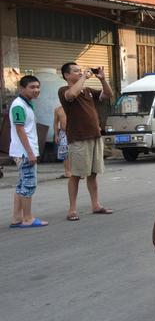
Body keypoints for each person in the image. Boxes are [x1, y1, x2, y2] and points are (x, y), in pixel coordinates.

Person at [58, 63, 114, 221]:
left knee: (93, 173)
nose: (80, 72)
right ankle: (72, 210)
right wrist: (84, 77)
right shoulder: (63, 90)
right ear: (67, 75)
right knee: (76, 174)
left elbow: (107, 95)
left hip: (94, 135)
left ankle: (96, 204)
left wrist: (102, 80)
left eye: (80, 70)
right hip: (78, 137)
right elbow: (72, 95)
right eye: (76, 71)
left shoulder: (88, 91)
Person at [9, 75, 48, 228]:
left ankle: (16, 218)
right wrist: (30, 153)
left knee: (21, 185)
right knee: (28, 185)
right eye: (32, 87)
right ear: (22, 88)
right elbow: (20, 130)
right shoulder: (19, 105)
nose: (36, 90)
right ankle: (27, 218)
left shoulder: (27, 103)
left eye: (38, 87)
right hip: (24, 152)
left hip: (24, 151)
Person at [53, 105, 72, 178]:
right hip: (63, 133)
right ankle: (68, 172)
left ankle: (78, 172)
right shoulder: (58, 109)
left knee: (76, 151)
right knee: (64, 153)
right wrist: (56, 135)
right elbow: (55, 123)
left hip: (74, 132)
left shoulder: (75, 107)